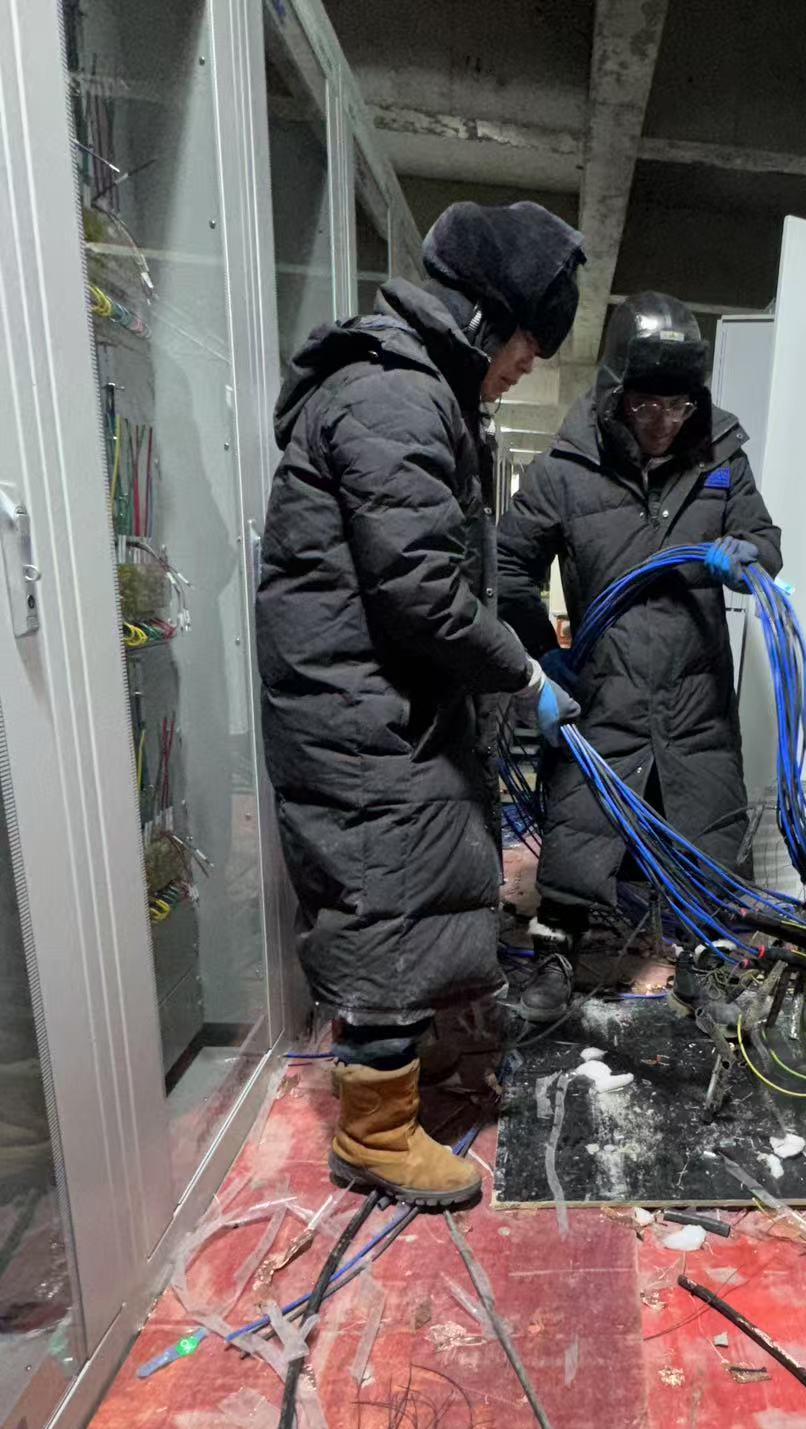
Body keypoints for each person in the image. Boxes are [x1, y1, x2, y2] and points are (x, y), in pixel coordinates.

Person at [257, 201, 585, 1206]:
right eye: (526, 344)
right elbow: (418, 591)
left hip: (383, 699)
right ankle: (374, 1133)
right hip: (361, 709)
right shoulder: (394, 393)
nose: (525, 365)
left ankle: (410, 1063)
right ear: (486, 318)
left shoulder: (414, 389)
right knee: (383, 893)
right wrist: (523, 674)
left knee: (416, 874)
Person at [497, 291, 782, 1023]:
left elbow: (766, 540)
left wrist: (747, 552)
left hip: (695, 698)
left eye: (678, 406)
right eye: (646, 405)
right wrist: (543, 656)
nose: (662, 422)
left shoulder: (722, 458)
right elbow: (507, 568)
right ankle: (557, 956)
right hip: (604, 690)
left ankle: (706, 965)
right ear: (615, 395)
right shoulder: (566, 469)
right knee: (577, 833)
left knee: (706, 837)